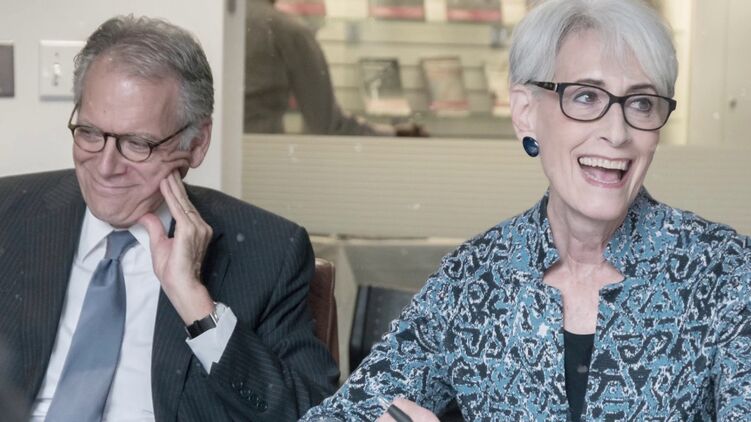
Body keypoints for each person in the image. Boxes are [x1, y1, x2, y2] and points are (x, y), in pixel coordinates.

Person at [301, 0, 751, 420]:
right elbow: (342, 414)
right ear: (525, 113)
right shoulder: (474, 277)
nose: (617, 133)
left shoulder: (726, 272)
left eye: (641, 102)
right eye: (586, 97)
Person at [0, 15, 338, 421]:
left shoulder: (268, 252)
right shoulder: (9, 214)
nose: (106, 167)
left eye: (137, 144)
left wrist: (195, 303)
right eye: (89, 133)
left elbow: (313, 413)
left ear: (196, 144)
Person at [245, 0, 426, 136]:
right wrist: (395, 133)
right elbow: (327, 123)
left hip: (242, 156)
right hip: (264, 156)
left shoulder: (233, 21)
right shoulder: (286, 30)